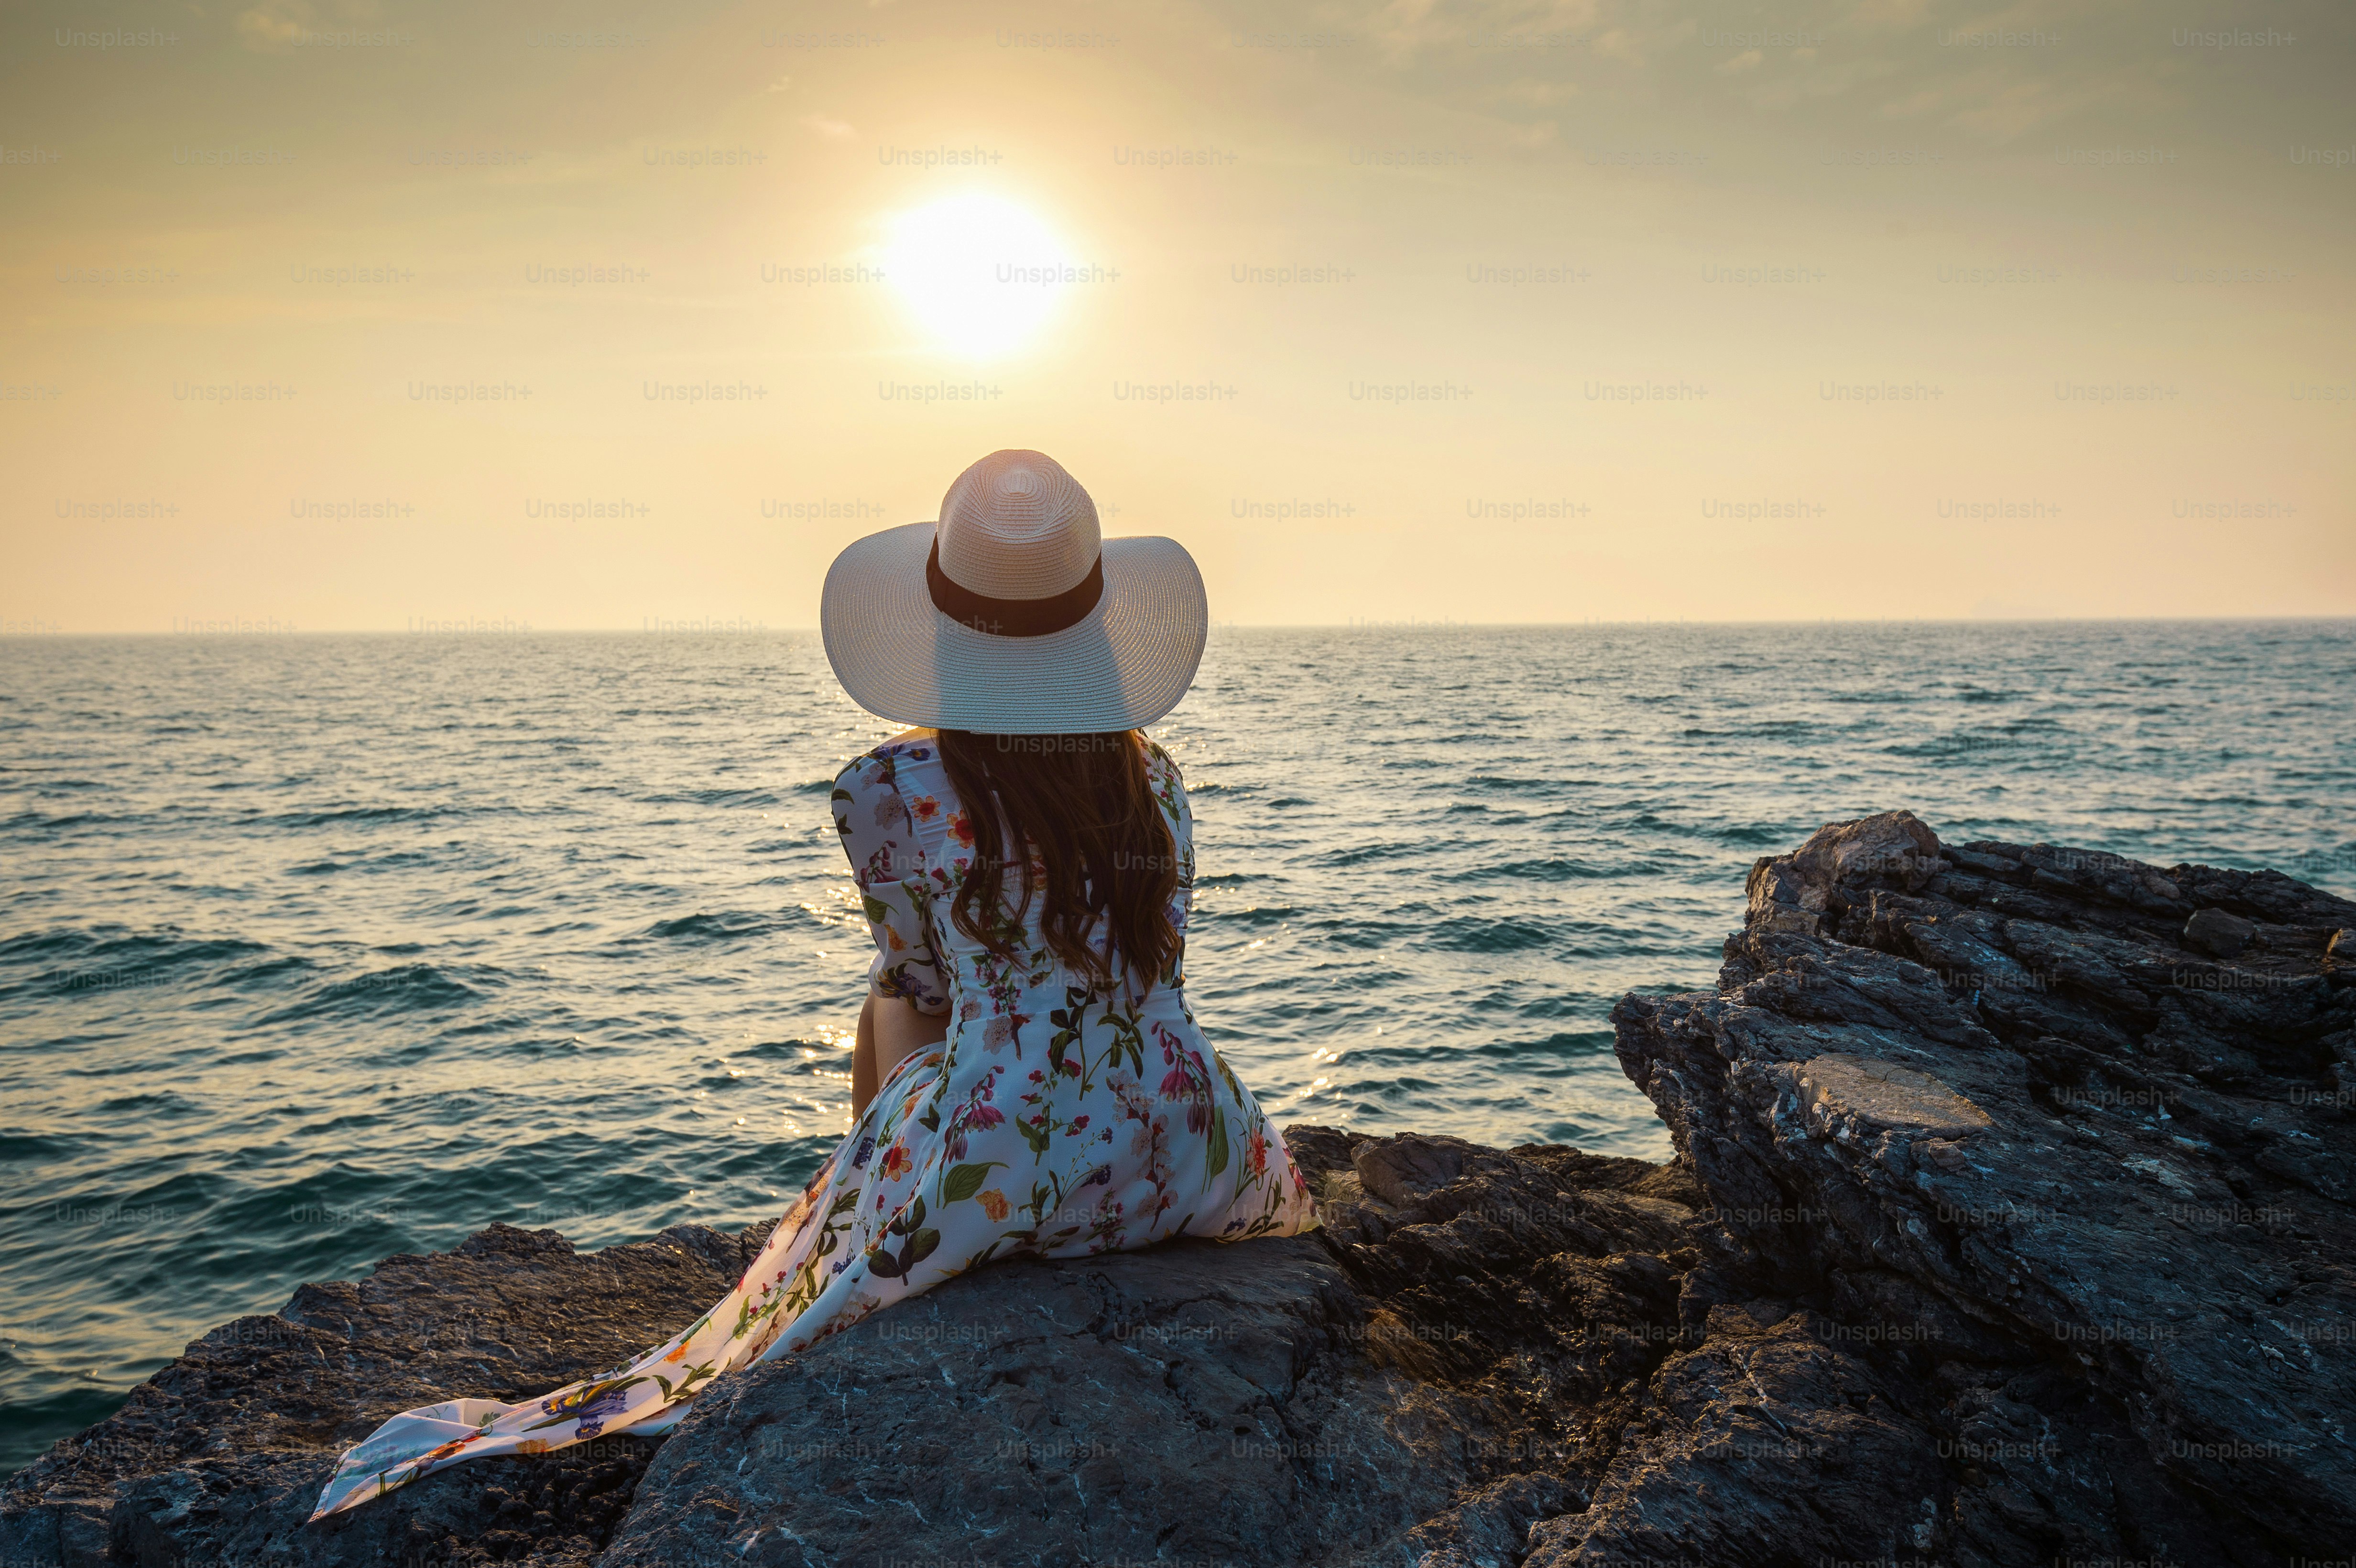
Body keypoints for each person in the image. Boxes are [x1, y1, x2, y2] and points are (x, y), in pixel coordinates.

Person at [308, 448, 1319, 1521]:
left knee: (891, 996)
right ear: (1094, 622)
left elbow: (920, 985)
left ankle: (873, 1197)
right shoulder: (1152, 773)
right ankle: (918, 1171)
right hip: (1201, 1148)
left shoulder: (892, 784)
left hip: (1009, 1167)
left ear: (942, 625)